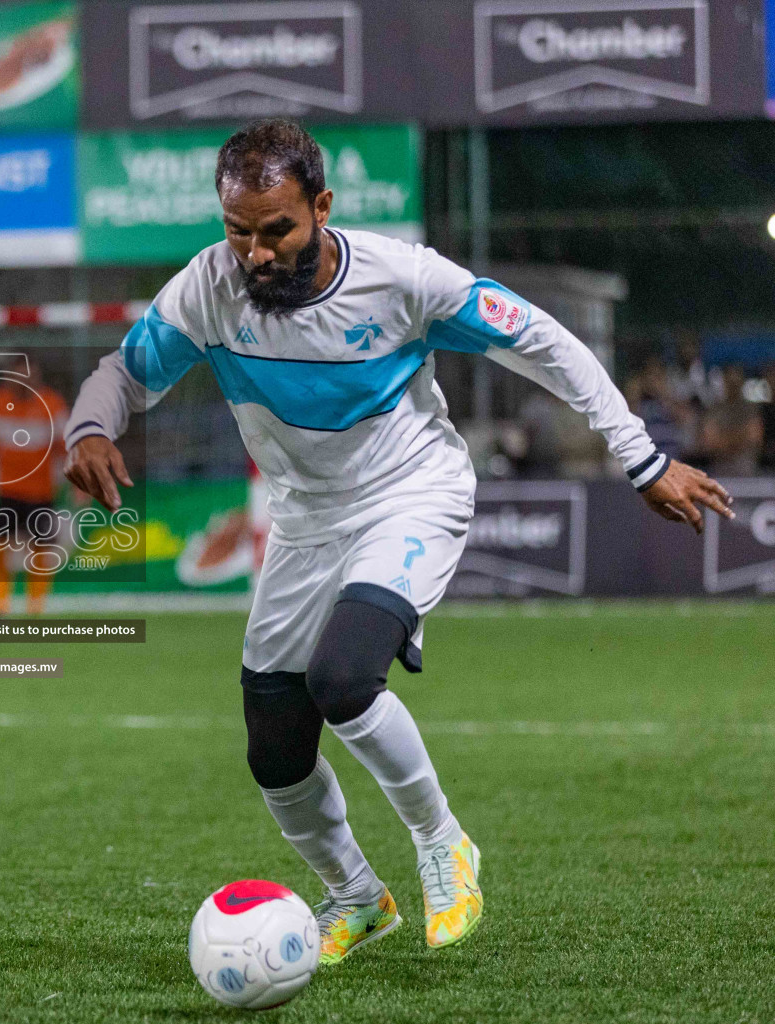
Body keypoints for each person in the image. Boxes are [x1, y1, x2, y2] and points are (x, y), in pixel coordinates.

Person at [64, 119, 732, 965]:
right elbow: (125, 370)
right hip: (305, 520)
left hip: (410, 495)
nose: (257, 253)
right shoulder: (209, 288)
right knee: (273, 748)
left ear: (322, 207)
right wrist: (92, 424)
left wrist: (640, 458)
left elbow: (542, 338)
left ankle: (443, 843)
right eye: (239, 232)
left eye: (278, 230)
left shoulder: (402, 279)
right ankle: (355, 895)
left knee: (344, 677)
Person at [0, 360, 68, 615]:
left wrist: (78, 481)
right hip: (8, 491)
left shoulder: (52, 403)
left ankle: (36, 607)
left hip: (42, 493)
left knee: (40, 550)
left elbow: (64, 446)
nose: (23, 382)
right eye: (18, 376)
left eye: (29, 376)